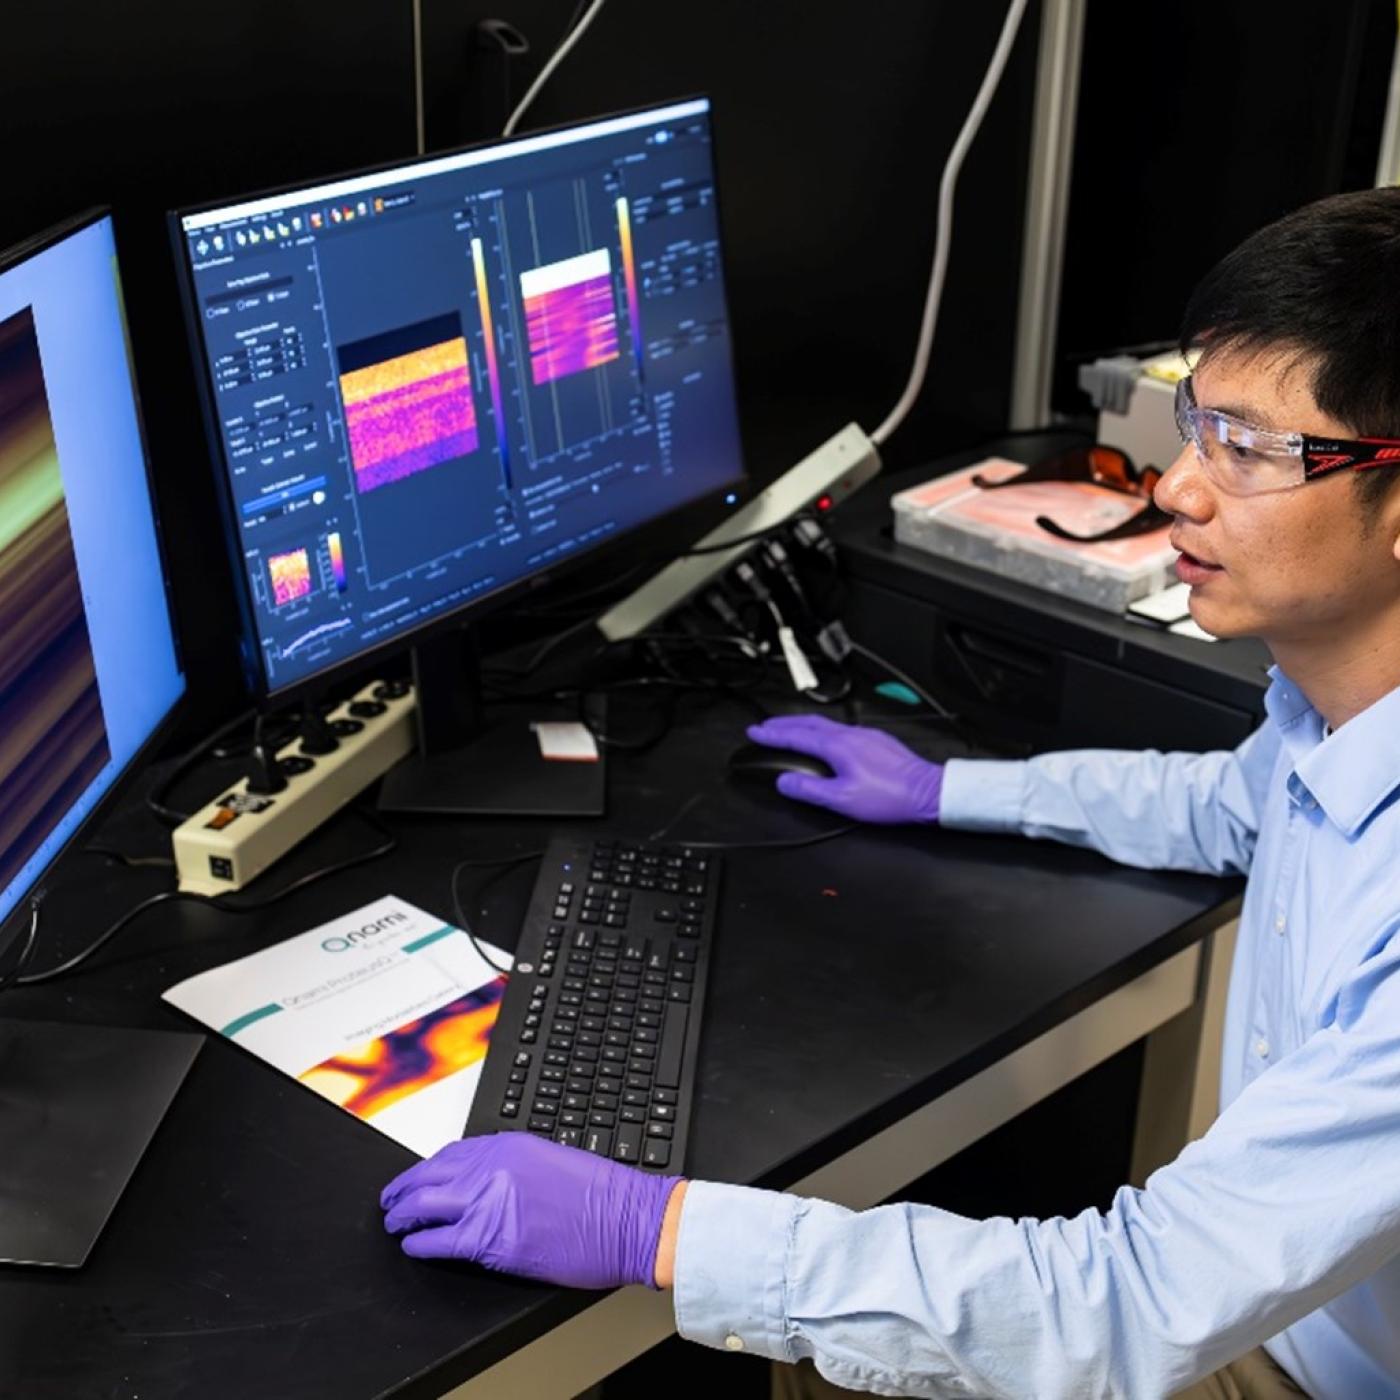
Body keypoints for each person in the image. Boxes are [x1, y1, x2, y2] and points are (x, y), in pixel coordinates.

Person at [377, 187, 1400, 1399]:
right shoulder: (1327, 718)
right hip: (1270, 1315)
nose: (1176, 488)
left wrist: (652, 1229)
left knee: (796, 1360)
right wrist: (946, 788)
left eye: (1244, 445)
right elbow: (1223, 807)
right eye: (1194, 419)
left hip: (1285, 1364)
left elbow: (1121, 1303)